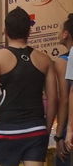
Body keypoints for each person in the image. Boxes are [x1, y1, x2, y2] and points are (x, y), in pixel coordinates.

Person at [0, 6, 58, 166]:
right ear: (29, 30)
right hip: (35, 130)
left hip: (7, 130)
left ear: (5, 30)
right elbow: (53, 99)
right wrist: (46, 128)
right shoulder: (45, 60)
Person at [55, 13, 73, 166]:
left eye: (61, 29)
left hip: (69, 126)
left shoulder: (63, 61)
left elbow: (65, 99)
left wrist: (59, 136)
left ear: (66, 34)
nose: (59, 33)